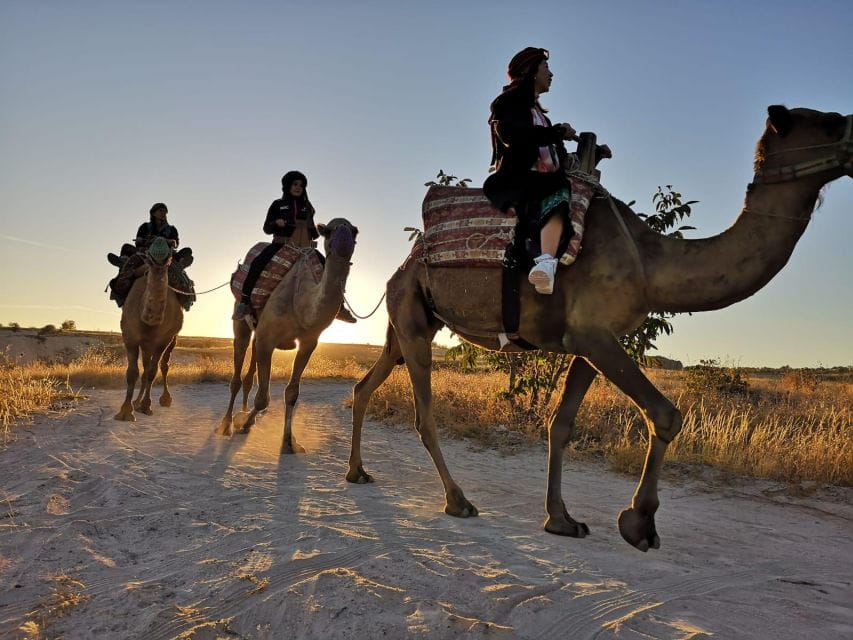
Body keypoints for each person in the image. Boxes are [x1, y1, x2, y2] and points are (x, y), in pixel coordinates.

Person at [483, 47, 608, 295]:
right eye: (546, 68)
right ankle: (546, 263)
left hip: (542, 179)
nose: (551, 74)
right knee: (558, 188)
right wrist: (558, 132)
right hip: (518, 179)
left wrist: (595, 154)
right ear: (531, 72)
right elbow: (514, 136)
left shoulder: (541, 116)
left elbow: (557, 158)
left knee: (562, 183)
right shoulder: (506, 104)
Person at [232, 171, 356, 323]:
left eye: (301, 185)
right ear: (288, 186)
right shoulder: (278, 205)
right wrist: (276, 223)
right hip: (281, 244)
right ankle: (244, 302)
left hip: (306, 249)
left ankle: (339, 307)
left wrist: (318, 229)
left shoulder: (308, 208)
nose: (298, 187)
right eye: (295, 184)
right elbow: (266, 228)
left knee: (330, 268)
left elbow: (313, 232)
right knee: (258, 263)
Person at [107, 202, 193, 268]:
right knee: (126, 247)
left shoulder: (171, 229)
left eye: (165, 211)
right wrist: (146, 240)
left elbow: (175, 244)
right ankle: (123, 262)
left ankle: (181, 263)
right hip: (146, 252)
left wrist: (163, 240)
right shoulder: (145, 227)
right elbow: (138, 242)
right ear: (153, 213)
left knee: (187, 250)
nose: (163, 213)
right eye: (160, 211)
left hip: (166, 254)